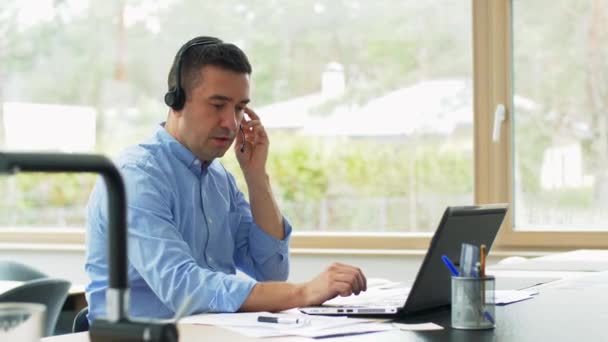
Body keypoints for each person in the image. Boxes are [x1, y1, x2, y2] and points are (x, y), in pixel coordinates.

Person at [85, 36, 367, 321]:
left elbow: (270, 272)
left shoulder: (219, 179)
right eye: (218, 105)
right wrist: (303, 292)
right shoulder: (135, 178)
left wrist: (256, 176)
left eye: (239, 108)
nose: (231, 123)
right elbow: (184, 289)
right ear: (176, 101)